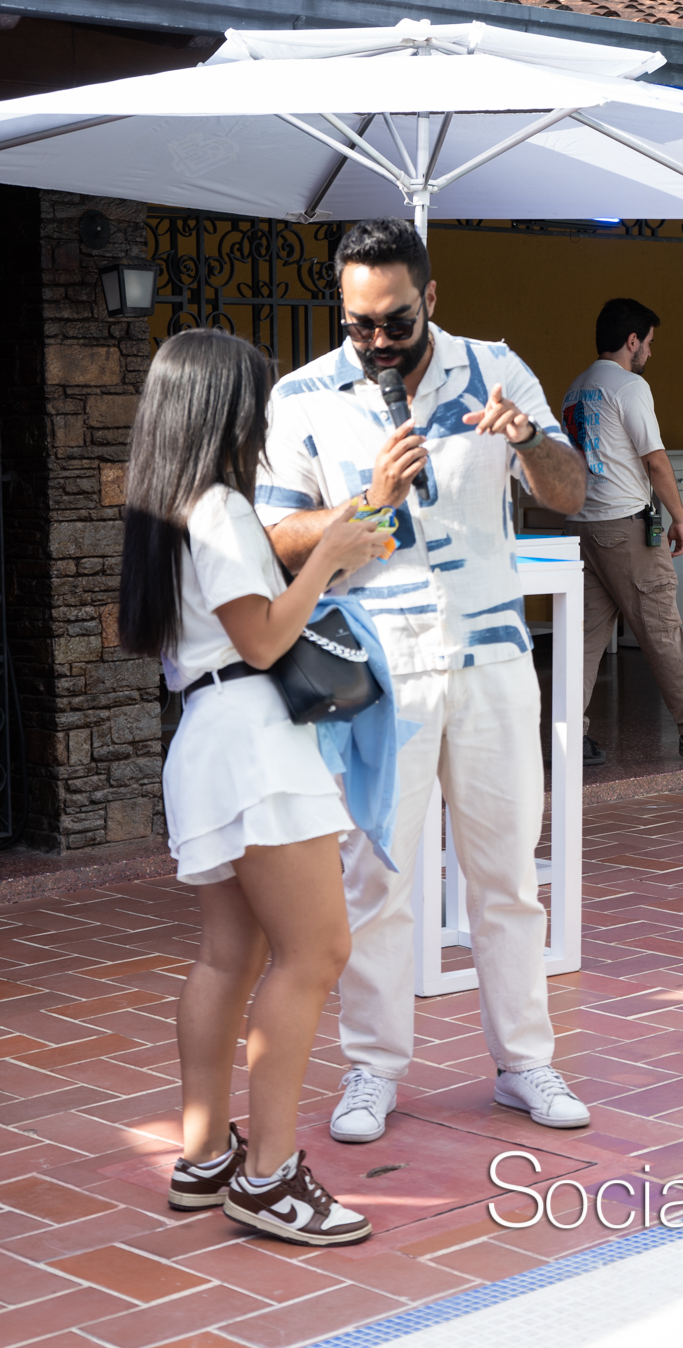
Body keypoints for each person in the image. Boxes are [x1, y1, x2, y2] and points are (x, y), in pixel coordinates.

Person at [256, 217, 592, 1143]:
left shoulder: (496, 368)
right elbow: (277, 538)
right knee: (376, 878)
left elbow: (572, 491)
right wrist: (369, 500)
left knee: (506, 873)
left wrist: (528, 440)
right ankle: (373, 1068)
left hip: (491, 658)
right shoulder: (304, 396)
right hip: (379, 671)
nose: (377, 342)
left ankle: (525, 1062)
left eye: (395, 322)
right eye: (359, 323)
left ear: (430, 297)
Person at [118, 328, 389, 1245]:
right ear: (221, 409)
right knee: (316, 951)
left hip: (207, 737)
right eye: (254, 401)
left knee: (228, 956)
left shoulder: (163, 510)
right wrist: (328, 557)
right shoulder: (220, 508)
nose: (261, 420)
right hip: (253, 745)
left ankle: (205, 1157)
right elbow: (266, 641)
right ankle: (271, 1176)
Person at [562, 298, 683, 764]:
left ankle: (565, 736)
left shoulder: (576, 388)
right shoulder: (629, 386)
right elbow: (655, 459)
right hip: (623, 527)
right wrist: (679, 517)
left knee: (581, 639)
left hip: (583, 526)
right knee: (662, 628)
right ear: (632, 341)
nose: (650, 351)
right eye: (648, 342)